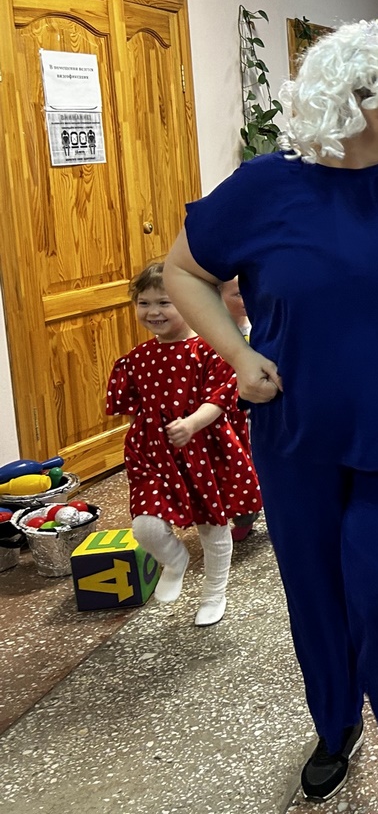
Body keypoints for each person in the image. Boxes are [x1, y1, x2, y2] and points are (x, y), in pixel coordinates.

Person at [163, 20, 378, 814]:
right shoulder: (263, 187)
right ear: (352, 103)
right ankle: (336, 726)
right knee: (317, 592)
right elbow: (182, 271)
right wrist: (236, 354)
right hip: (300, 432)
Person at [104, 262, 259, 627]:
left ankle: (214, 593)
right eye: (144, 303)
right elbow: (133, 409)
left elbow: (221, 398)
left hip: (204, 450)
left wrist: (191, 424)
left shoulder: (211, 350)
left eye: (165, 302)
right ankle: (174, 561)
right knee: (146, 527)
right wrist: (143, 440)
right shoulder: (136, 359)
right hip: (155, 456)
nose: (153, 312)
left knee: (212, 528)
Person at [218, 277, 260, 543]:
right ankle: (242, 515)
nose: (245, 301)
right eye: (237, 295)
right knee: (235, 464)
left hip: (256, 405)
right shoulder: (215, 331)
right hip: (226, 408)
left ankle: (253, 511)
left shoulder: (261, 326)